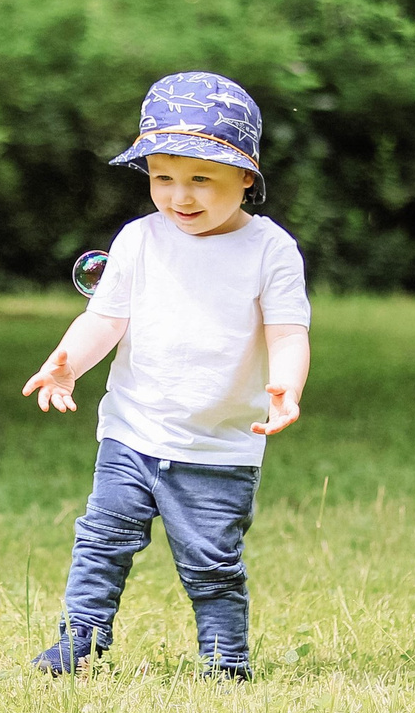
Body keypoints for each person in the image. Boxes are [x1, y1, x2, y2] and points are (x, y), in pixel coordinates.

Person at [20, 71, 311, 679]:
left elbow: (288, 331)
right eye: (163, 178)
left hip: (219, 446)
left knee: (210, 562)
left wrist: (286, 386)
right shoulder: (139, 240)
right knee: (101, 540)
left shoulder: (270, 251)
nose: (180, 196)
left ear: (246, 178)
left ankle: (226, 662)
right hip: (132, 431)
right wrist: (68, 363)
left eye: (201, 178)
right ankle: (80, 643)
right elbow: (105, 317)